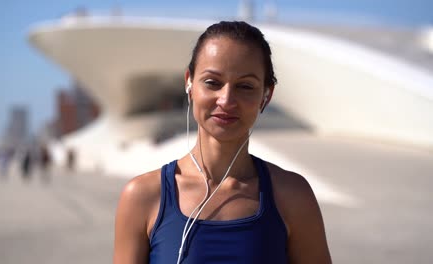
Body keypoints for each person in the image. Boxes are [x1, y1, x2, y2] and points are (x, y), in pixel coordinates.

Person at [113, 21, 331, 264]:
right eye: (212, 82)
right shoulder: (143, 197)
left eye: (245, 86)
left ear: (266, 96)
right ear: (189, 82)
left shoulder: (292, 196)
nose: (226, 100)